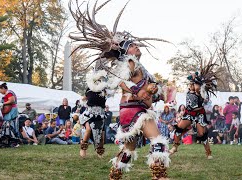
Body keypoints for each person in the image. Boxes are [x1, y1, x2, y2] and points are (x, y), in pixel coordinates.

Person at [69, 2, 173, 179]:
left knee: (128, 150)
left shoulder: (136, 65)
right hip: (136, 111)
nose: (136, 46)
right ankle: (159, 177)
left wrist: (155, 93)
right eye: (132, 45)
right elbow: (122, 81)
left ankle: (114, 175)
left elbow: (143, 91)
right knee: (158, 141)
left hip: (128, 112)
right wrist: (136, 91)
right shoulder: (130, 62)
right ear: (126, 52)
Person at [169, 63, 219, 160]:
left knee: (201, 133)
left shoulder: (200, 91)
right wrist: (193, 76)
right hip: (189, 113)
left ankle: (208, 152)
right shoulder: (189, 89)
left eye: (193, 83)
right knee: (179, 128)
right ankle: (175, 147)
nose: (191, 84)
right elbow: (190, 79)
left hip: (199, 114)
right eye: (191, 83)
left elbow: (201, 91)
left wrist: (198, 80)